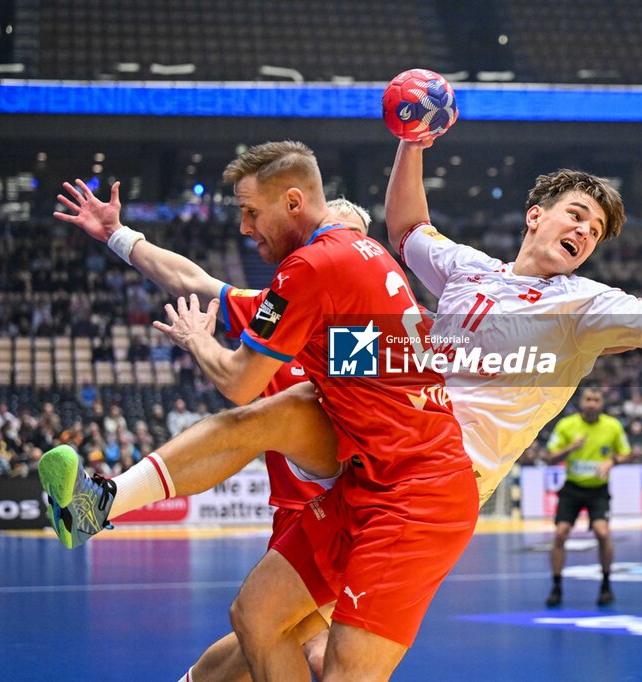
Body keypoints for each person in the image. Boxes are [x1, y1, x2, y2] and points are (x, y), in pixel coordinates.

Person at [44, 142, 478, 682]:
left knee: (332, 663)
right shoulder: (348, 275)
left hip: (414, 494)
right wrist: (117, 234)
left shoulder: (314, 269)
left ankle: (104, 503)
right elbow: (199, 283)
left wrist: (198, 340)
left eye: (251, 212)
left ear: (295, 203)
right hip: (363, 482)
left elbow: (237, 381)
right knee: (256, 619)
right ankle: (102, 503)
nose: (245, 228)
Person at [541, 387, 628, 607]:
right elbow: (549, 456)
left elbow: (626, 452)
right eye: (588, 399)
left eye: (596, 400)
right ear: (581, 402)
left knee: (602, 532)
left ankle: (606, 585)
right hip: (572, 488)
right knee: (560, 533)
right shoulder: (566, 425)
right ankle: (556, 586)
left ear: (602, 403)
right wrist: (570, 448)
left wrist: (612, 461)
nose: (592, 403)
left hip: (598, 490)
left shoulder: (613, 426)